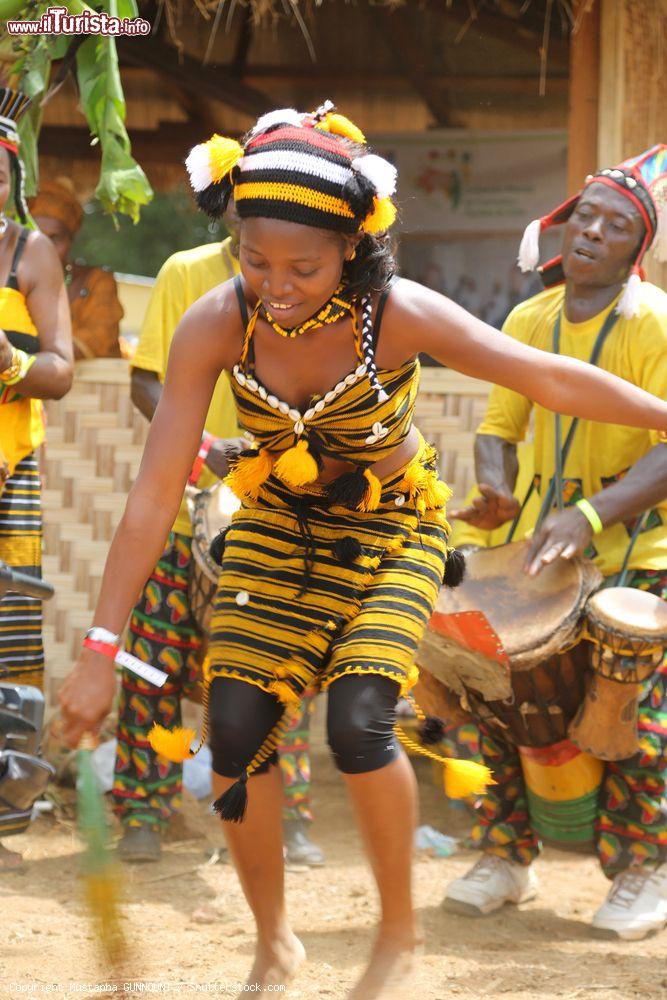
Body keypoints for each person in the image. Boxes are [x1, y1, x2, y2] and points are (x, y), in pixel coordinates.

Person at [58, 103, 667, 997]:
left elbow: (540, 375)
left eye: (302, 265)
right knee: (234, 733)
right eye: (255, 260)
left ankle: (397, 935)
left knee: (357, 721)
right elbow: (154, 494)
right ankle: (273, 942)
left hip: (391, 530)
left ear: (351, 245)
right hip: (275, 525)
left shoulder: (397, 312)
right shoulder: (215, 326)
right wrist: (99, 652)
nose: (277, 284)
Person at [445, 146, 667, 940]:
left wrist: (593, 516)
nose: (590, 233)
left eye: (614, 226)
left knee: (632, 705)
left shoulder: (654, 324)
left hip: (638, 549)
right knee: (497, 698)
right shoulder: (527, 320)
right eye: (583, 216)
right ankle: (505, 856)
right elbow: (498, 429)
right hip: (536, 544)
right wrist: (494, 485)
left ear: (634, 251)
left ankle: (642, 871)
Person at [110, 230, 324, 866]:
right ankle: (144, 812)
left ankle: (285, 818)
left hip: (278, 523)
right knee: (149, 670)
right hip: (183, 519)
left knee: (278, 676)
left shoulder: (317, 282)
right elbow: (146, 384)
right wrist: (205, 450)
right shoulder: (186, 271)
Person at [0, 88, 73, 866]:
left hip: (5, 473)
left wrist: (13, 363)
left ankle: (2, 820)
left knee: (5, 646)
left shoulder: (29, 254)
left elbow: (60, 370)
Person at [29, 177, 124, 360]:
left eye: (55, 238)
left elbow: (97, 337)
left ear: (70, 240)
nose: (45, 247)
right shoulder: (12, 280)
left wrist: (23, 356)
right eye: (37, 236)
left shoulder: (97, 282)